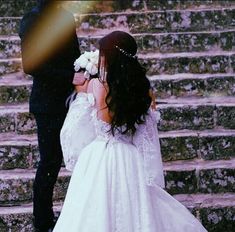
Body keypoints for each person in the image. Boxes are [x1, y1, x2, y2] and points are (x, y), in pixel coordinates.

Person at [53, 31, 207, 232]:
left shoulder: (99, 86)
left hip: (102, 156)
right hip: (131, 156)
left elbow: (96, 125)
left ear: (110, 57)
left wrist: (83, 96)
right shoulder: (143, 89)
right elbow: (147, 132)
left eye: (103, 54)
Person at [18, 0, 81, 231]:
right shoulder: (32, 19)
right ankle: (43, 223)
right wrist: (69, 78)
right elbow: (31, 64)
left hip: (75, 101)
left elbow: (75, 57)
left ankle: (80, 216)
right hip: (48, 104)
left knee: (84, 161)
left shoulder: (65, 18)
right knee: (50, 163)